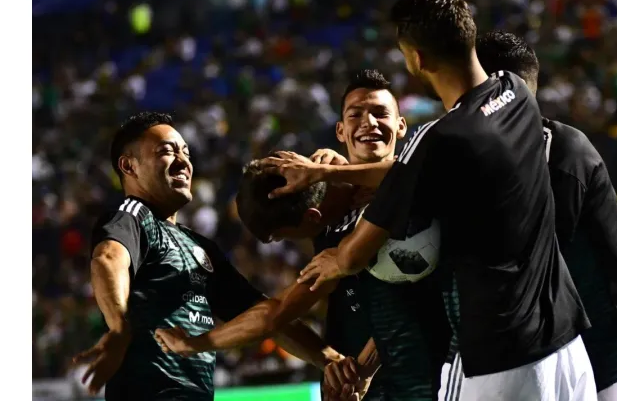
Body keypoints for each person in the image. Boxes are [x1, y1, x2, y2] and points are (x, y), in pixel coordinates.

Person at [269, 0, 596, 400]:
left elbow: (352, 255)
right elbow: (407, 172)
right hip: (567, 345)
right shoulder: (515, 92)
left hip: (497, 355)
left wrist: (333, 256)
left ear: (417, 60)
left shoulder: (437, 140)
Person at [156, 69, 453, 401]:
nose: (368, 122)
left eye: (380, 112)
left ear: (401, 125)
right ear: (340, 130)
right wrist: (336, 364)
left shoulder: (416, 191)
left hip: (425, 381)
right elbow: (276, 314)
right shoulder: (328, 203)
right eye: (355, 114)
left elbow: (409, 176)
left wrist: (194, 344)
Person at [474, 30, 617, 401]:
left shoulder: (563, 151)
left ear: (496, 89)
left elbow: (529, 257)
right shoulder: (497, 162)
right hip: (580, 374)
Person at [71, 112, 344, 400]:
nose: (183, 161)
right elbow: (109, 259)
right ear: (129, 166)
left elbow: (269, 316)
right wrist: (118, 327)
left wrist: (330, 361)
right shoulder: (133, 217)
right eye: (167, 151)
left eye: (185, 152)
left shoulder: (199, 246)